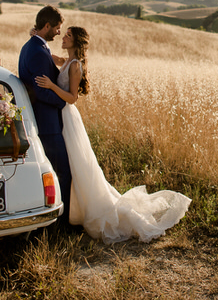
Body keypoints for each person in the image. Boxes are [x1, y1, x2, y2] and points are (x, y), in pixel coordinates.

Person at [35, 25, 191, 244]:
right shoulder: (68, 61)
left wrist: (51, 86)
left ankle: (90, 211)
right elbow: (53, 57)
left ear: (77, 41)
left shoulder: (75, 67)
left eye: (68, 35)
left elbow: (72, 98)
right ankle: (74, 209)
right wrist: (38, 39)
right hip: (62, 118)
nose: (63, 37)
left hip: (69, 117)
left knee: (79, 164)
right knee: (75, 164)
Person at [18, 6, 72, 228]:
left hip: (41, 119)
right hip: (47, 122)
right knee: (62, 173)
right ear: (47, 26)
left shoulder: (33, 46)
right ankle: (62, 224)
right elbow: (41, 91)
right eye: (57, 28)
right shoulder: (39, 52)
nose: (59, 33)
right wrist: (63, 102)